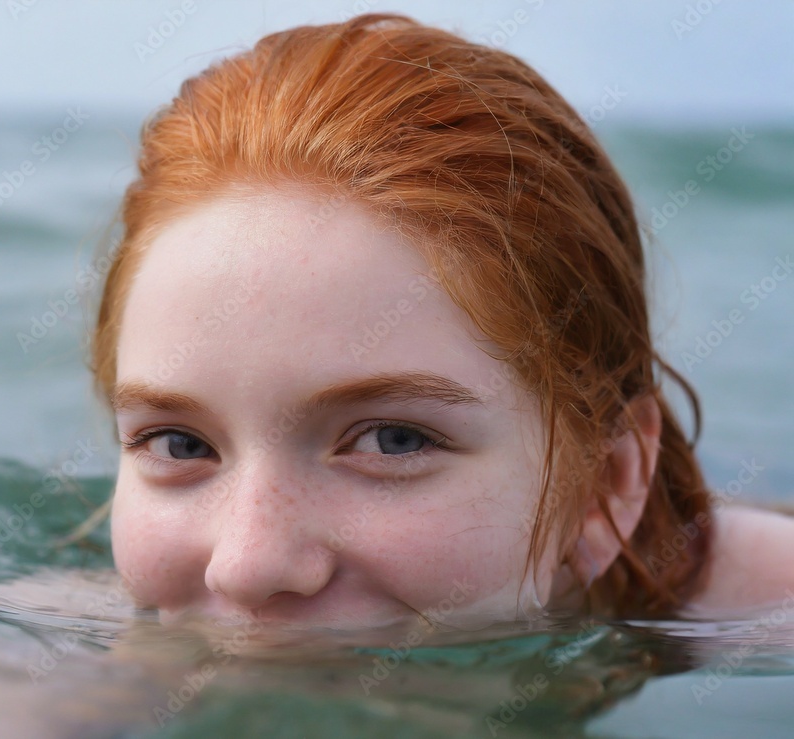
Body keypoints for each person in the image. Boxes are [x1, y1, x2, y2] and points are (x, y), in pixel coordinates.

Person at [89, 12, 794, 632]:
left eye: (394, 440)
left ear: (603, 483)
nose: (245, 568)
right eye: (179, 444)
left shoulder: (765, 613)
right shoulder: (70, 642)